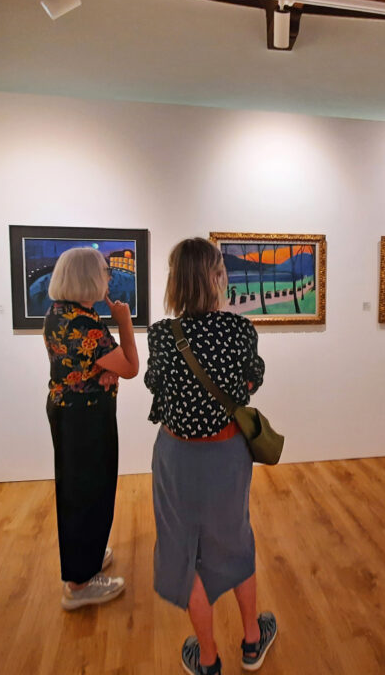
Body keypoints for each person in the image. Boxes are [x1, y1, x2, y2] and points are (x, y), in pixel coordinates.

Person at [145, 238, 277, 675]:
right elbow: (251, 382)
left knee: (185, 552)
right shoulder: (240, 330)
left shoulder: (164, 336)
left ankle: (206, 658)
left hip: (176, 458)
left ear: (175, 281)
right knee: (234, 539)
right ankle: (252, 642)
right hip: (225, 454)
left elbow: (155, 386)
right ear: (216, 277)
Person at [43, 247, 139, 610]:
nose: (109, 277)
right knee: (90, 493)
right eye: (103, 271)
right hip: (86, 418)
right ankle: (80, 584)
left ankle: (85, 560)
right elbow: (130, 366)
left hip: (68, 411)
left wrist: (101, 369)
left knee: (77, 491)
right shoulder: (85, 324)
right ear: (87, 276)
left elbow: (85, 365)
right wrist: (124, 320)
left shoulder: (59, 313)